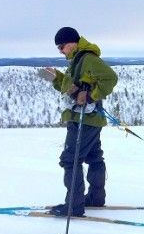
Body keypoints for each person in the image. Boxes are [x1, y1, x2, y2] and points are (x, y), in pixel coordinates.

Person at [38, 27, 118, 216]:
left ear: (72, 42)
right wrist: (57, 78)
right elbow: (73, 89)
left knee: (70, 160)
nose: (60, 51)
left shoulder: (87, 58)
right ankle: (96, 199)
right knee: (94, 157)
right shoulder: (78, 60)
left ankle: (73, 206)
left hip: (84, 119)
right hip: (91, 120)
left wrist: (91, 96)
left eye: (62, 46)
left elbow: (111, 78)